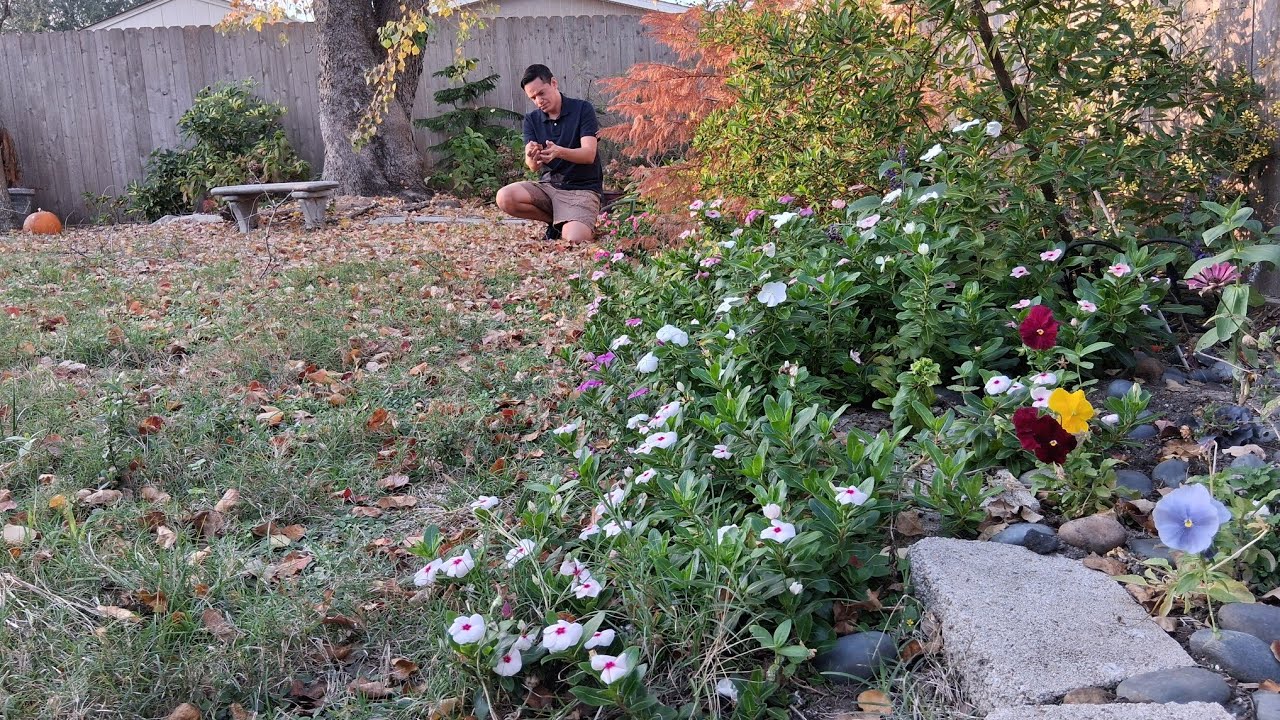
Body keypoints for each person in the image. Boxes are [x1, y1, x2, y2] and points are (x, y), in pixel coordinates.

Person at [495, 64, 604, 243]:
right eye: (533, 98)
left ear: (554, 83)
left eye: (541, 93)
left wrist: (559, 152)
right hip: (549, 187)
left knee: (574, 239)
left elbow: (589, 154)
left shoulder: (582, 109)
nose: (539, 101)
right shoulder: (532, 120)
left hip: (582, 190)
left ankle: (572, 222)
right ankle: (556, 222)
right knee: (505, 197)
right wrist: (531, 156)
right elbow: (532, 166)